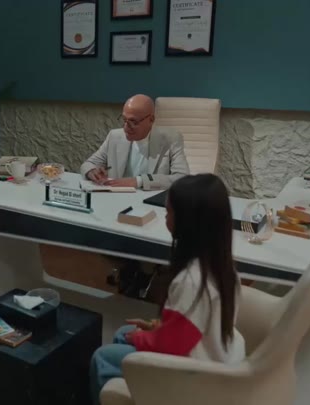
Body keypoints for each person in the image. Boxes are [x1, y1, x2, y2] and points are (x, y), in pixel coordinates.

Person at [89, 174, 246, 403]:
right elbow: (196, 324)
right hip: (220, 354)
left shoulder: (191, 281)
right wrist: (157, 328)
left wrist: (144, 338)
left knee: (102, 358)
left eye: (169, 211)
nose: (165, 215)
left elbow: (173, 346)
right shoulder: (224, 267)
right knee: (124, 334)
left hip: (196, 374)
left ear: (188, 223)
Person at [80, 94, 190, 190]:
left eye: (133, 121)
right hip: (117, 198)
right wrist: (92, 171)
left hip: (149, 200)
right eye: (124, 120)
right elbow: (88, 164)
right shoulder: (115, 137)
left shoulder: (171, 139)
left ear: (151, 120)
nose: (126, 127)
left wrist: (139, 181)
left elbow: (182, 178)